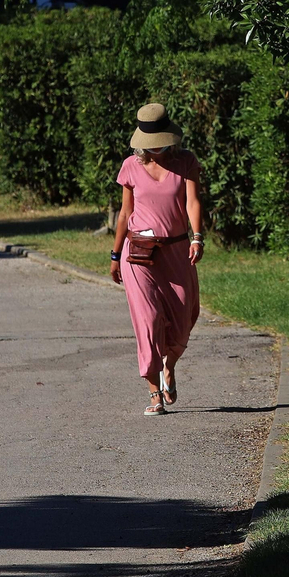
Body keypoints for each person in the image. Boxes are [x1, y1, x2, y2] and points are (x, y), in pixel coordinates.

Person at [110, 103, 206, 415]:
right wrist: (115, 254)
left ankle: (169, 366)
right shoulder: (130, 166)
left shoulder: (186, 161)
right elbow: (125, 212)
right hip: (138, 254)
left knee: (183, 323)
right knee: (148, 320)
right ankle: (154, 391)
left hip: (178, 250)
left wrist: (197, 237)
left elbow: (192, 202)